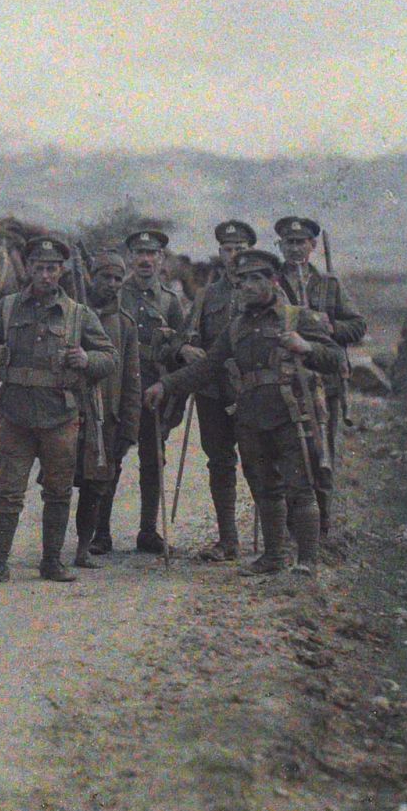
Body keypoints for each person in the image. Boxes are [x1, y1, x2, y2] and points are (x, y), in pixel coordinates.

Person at [146, 248, 344, 576]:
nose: (247, 286)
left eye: (255, 279)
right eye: (242, 281)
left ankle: (307, 561)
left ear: (273, 281)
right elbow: (207, 367)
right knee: (266, 489)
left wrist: (307, 347)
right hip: (251, 419)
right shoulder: (236, 328)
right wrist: (166, 385)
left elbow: (337, 359)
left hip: (291, 416)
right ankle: (274, 557)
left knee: (300, 488)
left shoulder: (297, 318)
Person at [0, 235, 118, 584]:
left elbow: (110, 357)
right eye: (39, 268)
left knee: (58, 491)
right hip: (16, 416)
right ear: (29, 268)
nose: (46, 275)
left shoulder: (78, 314)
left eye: (52, 269)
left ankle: (52, 562)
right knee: (8, 490)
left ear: (61, 271)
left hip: (60, 416)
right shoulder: (7, 309)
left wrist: (87, 359)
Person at [274, 215, 367, 544]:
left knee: (321, 454)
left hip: (324, 381)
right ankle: (290, 529)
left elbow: (357, 326)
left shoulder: (330, 285)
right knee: (287, 455)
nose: (295, 249)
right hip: (284, 383)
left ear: (313, 245)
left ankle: (322, 529)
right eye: (289, 243)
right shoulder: (272, 283)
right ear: (280, 246)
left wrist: (331, 327)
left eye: (301, 242)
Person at [174, 220, 257, 562]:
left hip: (252, 392)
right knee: (219, 462)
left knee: (259, 462)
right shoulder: (206, 295)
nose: (233, 255)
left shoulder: (264, 290)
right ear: (220, 253)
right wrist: (185, 349)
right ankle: (228, 540)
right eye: (227, 249)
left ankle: (275, 543)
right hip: (212, 391)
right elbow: (184, 336)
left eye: (240, 249)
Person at [118, 228, 190, 554]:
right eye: (139, 253)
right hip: (120, 388)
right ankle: (100, 533)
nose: (145, 259)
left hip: (151, 390)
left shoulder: (171, 301)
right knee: (109, 457)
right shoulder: (117, 295)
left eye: (152, 254)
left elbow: (179, 350)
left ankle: (147, 531)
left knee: (152, 459)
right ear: (130, 257)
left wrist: (172, 395)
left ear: (161, 259)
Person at [72, 250, 141, 566]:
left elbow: (131, 381)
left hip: (107, 417)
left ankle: (91, 542)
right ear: (92, 277)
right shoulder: (72, 313)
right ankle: (54, 549)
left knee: (99, 483)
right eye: (105, 277)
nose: (112, 284)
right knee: (61, 482)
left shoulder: (125, 324)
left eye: (117, 278)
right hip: (71, 413)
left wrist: (129, 428)